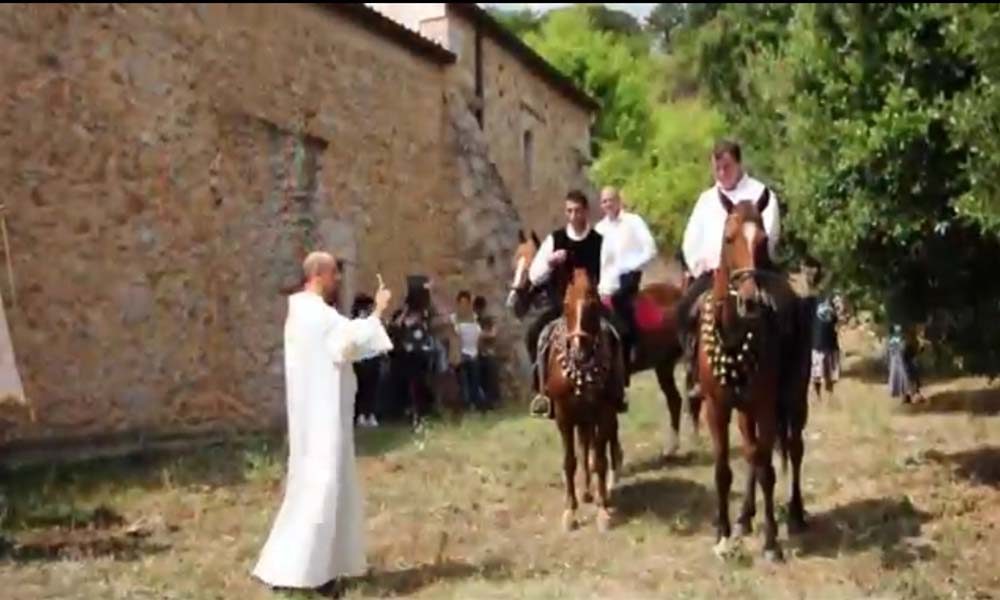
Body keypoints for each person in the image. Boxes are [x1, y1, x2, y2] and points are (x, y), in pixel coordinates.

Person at [253, 252, 393, 591]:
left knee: (309, 491)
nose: (339, 280)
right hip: (322, 419)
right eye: (334, 274)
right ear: (318, 274)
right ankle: (312, 576)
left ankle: (293, 569)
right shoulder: (315, 315)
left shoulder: (302, 313)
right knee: (321, 489)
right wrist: (378, 310)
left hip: (314, 416)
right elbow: (349, 342)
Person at [676, 140, 782, 398]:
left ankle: (785, 371)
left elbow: (770, 235)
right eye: (717, 169)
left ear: (738, 163)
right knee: (685, 310)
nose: (722, 173)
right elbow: (690, 240)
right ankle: (695, 371)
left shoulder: (761, 194)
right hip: (714, 274)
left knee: (786, 309)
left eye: (726, 167)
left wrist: (752, 263)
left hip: (755, 271)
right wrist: (703, 264)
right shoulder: (706, 200)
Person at [526, 189, 622, 418]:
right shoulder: (555, 239)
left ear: (586, 212)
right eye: (569, 211)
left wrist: (599, 293)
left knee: (619, 332)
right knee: (533, 334)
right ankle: (542, 392)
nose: (572, 216)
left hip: (592, 305)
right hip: (562, 306)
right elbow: (533, 275)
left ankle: (617, 388)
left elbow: (610, 273)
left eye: (577, 211)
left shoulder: (600, 241)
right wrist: (550, 262)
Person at [595, 186, 658, 385]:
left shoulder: (633, 222)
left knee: (620, 305)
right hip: (606, 282)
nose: (608, 204)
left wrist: (630, 266)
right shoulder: (599, 229)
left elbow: (650, 249)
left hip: (628, 277)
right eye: (604, 201)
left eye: (610, 200)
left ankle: (629, 355)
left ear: (618, 201)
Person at [451, 290, 487, 412]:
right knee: (464, 386)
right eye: (462, 303)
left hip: (474, 355)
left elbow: (480, 336)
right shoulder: (454, 319)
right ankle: (465, 408)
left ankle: (475, 407)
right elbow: (452, 338)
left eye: (467, 303)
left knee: (475, 384)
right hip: (462, 356)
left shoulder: (475, 319)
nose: (465, 306)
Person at [351, 294, 382, 427]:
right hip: (360, 359)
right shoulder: (355, 323)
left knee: (372, 388)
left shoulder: (373, 322)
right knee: (361, 388)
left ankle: (370, 414)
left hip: (373, 357)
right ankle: (361, 415)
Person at [811, 293, 841, 400]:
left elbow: (838, 319)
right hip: (817, 343)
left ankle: (830, 396)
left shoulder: (834, 298)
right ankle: (818, 397)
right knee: (817, 374)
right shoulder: (812, 299)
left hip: (831, 343)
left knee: (831, 374)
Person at [474, 295, 501, 408]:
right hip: (476, 354)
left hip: (488, 353)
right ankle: (482, 404)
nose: (479, 311)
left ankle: (494, 402)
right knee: (478, 379)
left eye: (480, 308)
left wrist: (480, 335)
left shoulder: (488, 320)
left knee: (491, 378)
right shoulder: (473, 320)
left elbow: (494, 334)